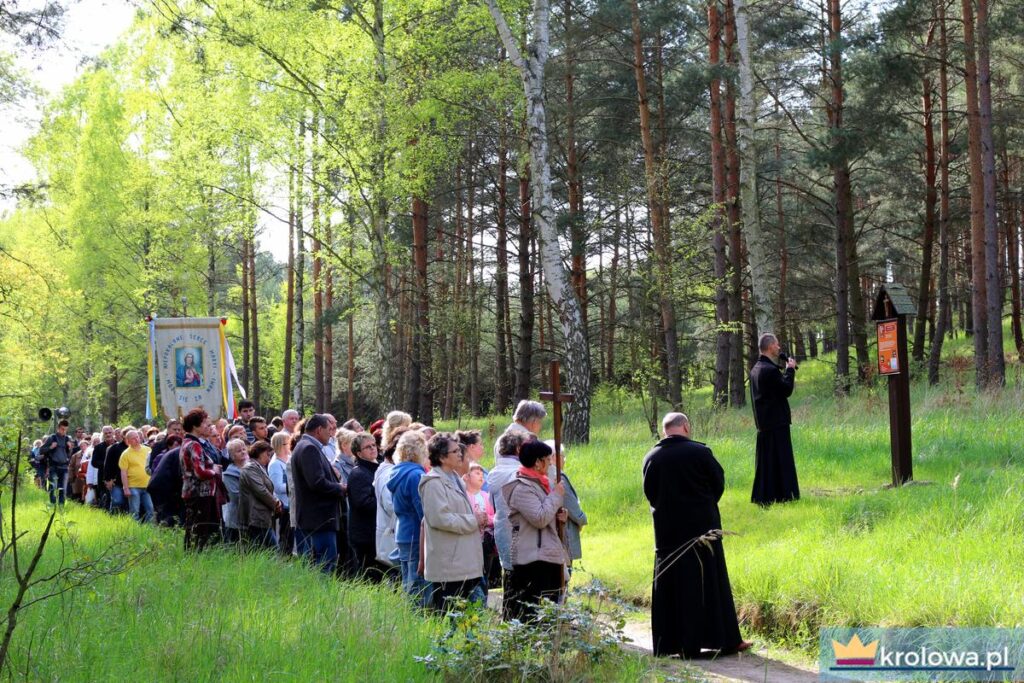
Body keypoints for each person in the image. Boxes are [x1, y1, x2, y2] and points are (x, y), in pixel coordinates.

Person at [643, 412, 751, 658]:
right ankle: (725, 640)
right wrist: (704, 506)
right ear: (686, 428)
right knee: (711, 582)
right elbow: (718, 484)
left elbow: (650, 492)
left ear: (664, 431)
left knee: (673, 586)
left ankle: (674, 644)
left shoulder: (651, 457)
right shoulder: (701, 453)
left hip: (668, 532)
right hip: (703, 529)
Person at [502, 440, 568, 622]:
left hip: (546, 554)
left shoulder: (541, 483)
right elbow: (539, 518)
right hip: (532, 558)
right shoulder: (522, 487)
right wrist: (556, 496)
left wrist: (558, 515)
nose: (550, 463)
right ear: (537, 462)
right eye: (548, 459)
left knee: (551, 608)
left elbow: (546, 515)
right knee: (532, 613)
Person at [419, 433, 485, 612]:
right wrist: (474, 520)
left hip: (463, 560)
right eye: (454, 451)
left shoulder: (455, 479)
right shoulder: (433, 483)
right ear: (441, 457)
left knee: (466, 617)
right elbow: (440, 518)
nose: (460, 454)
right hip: (449, 564)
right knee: (449, 615)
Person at [749, 332, 800, 506]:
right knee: (782, 460)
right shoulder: (769, 370)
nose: (779, 347)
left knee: (768, 463)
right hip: (776, 422)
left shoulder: (756, 369)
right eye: (777, 344)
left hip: (764, 423)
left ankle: (766, 496)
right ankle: (786, 495)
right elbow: (786, 389)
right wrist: (790, 370)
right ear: (770, 347)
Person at [291, 414, 346, 573]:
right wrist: (340, 488)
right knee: (325, 564)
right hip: (319, 518)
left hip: (315, 517)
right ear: (319, 430)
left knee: (321, 562)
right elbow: (316, 483)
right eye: (329, 430)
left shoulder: (306, 445)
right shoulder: (309, 448)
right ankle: (322, 595)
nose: (331, 434)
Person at [387, 430, 430, 605]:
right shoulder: (415, 475)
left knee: (408, 580)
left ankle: (410, 617)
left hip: (403, 532)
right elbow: (423, 512)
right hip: (415, 534)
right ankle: (419, 619)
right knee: (418, 583)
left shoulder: (397, 472)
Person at [487, 430, 531, 593]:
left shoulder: (494, 473)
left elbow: (493, 504)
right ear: (519, 449)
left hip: (502, 528)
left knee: (509, 575)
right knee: (523, 582)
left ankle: (509, 614)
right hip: (521, 530)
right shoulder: (519, 473)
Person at [179, 409, 225, 551]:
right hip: (200, 493)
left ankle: (195, 556)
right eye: (205, 424)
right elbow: (200, 472)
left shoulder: (186, 442)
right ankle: (199, 557)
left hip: (193, 492)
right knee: (201, 529)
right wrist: (214, 470)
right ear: (195, 426)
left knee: (194, 527)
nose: (208, 427)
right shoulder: (195, 445)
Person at [544, 440, 587, 573]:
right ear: (554, 457)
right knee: (565, 572)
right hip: (564, 530)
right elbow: (571, 505)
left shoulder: (548, 475)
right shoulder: (558, 476)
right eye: (563, 456)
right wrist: (583, 519)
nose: (565, 460)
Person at [347, 432, 381, 578]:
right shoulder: (358, 474)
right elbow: (363, 503)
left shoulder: (376, 468)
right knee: (368, 573)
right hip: (364, 534)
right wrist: (384, 503)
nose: (373, 448)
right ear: (359, 454)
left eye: (374, 445)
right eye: (368, 447)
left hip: (373, 531)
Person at [239, 440, 281, 549]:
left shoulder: (258, 467)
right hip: (256, 517)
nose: (268, 458)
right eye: (267, 454)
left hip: (262, 517)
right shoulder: (250, 468)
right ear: (260, 453)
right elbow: (261, 490)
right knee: (271, 550)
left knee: (266, 550)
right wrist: (275, 504)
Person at [464, 462, 497, 588]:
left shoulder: (487, 496)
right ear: (466, 476)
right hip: (470, 542)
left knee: (485, 573)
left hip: (485, 543)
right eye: (477, 473)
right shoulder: (464, 496)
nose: (481, 476)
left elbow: (496, 516)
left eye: (482, 474)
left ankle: (483, 600)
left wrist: (487, 519)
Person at [147, 435, 184, 526]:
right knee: (165, 513)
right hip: (161, 488)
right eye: (175, 444)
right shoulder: (164, 456)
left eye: (179, 444)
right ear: (169, 445)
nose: (177, 447)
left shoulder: (174, 454)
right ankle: (164, 529)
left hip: (167, 487)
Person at [119, 429, 154, 522]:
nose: (137, 439)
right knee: (135, 512)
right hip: (133, 486)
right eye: (133, 438)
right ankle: (135, 532)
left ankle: (148, 531)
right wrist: (125, 488)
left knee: (150, 510)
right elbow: (123, 472)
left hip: (147, 485)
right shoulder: (125, 454)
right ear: (128, 441)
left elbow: (153, 466)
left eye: (137, 437)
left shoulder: (148, 449)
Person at [268, 431, 293, 554]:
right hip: (285, 506)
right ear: (282, 445)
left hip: (292, 504)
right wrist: (295, 486)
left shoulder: (289, 459)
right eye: (289, 443)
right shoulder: (275, 464)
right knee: (285, 538)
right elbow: (277, 487)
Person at [41, 419, 74, 505]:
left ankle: (61, 507)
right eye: (62, 429)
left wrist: (70, 448)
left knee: (63, 488)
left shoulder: (67, 439)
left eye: (66, 429)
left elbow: (69, 454)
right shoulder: (52, 438)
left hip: (64, 467)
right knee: (53, 487)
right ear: (58, 428)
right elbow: (41, 450)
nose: (64, 431)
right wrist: (51, 447)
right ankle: (53, 505)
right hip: (54, 467)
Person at [222, 439, 249, 544]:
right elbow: (236, 496)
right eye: (238, 451)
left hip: (249, 517)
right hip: (235, 519)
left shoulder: (250, 468)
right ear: (232, 456)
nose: (243, 452)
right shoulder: (229, 474)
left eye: (244, 449)